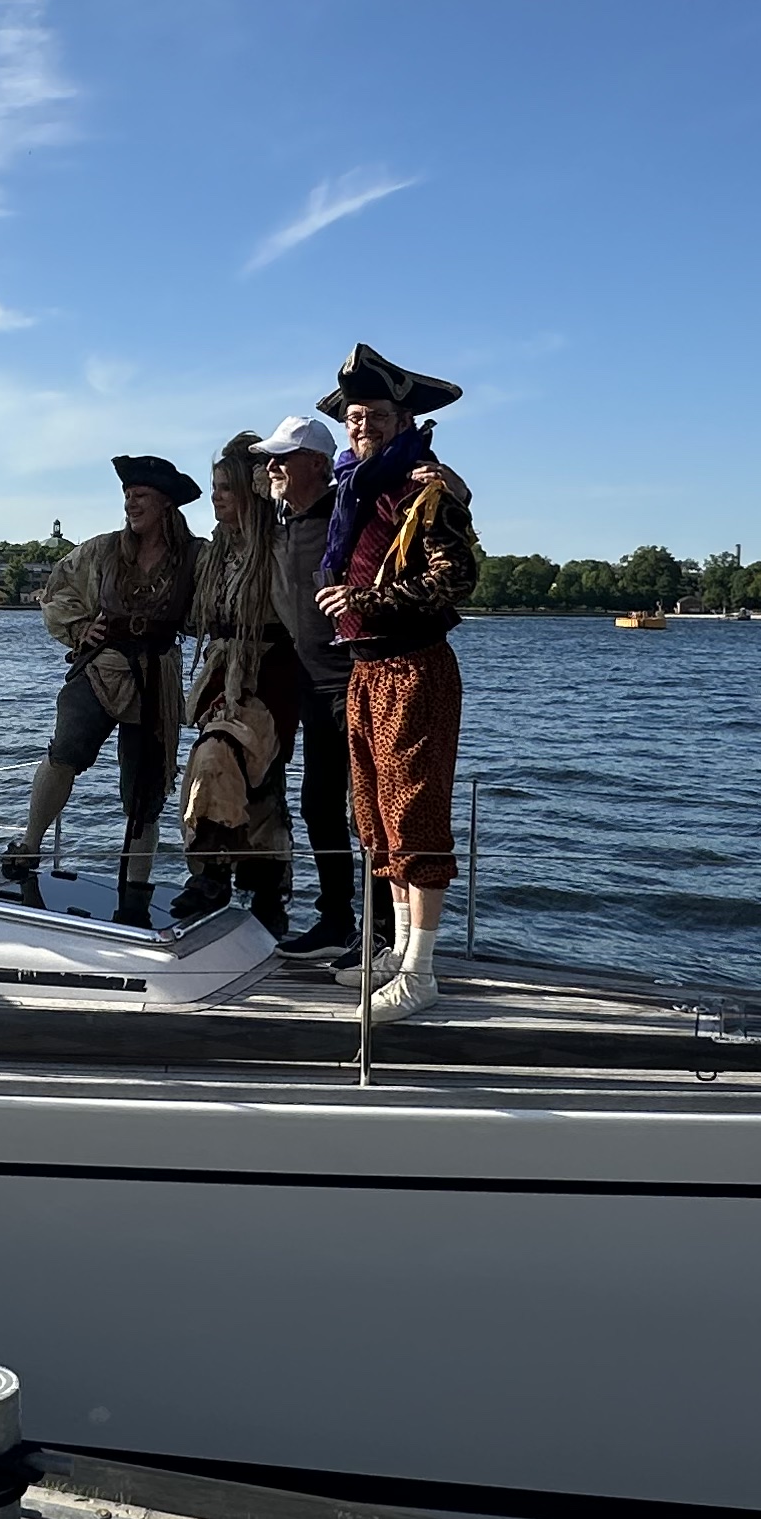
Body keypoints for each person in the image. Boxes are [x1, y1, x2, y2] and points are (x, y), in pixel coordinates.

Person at [310, 344, 480, 1022]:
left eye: (377, 415)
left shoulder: (426, 488)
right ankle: (404, 947)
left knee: (413, 815)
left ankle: (422, 970)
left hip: (413, 666)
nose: (363, 427)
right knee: (376, 819)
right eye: (354, 416)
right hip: (367, 669)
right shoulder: (356, 485)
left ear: (402, 418)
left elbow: (453, 581)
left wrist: (364, 603)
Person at [2, 457, 202, 924]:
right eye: (128, 496)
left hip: (156, 675)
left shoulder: (194, 555)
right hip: (101, 666)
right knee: (65, 749)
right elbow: (57, 589)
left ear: (165, 505)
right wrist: (79, 629)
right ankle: (29, 844)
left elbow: (217, 602)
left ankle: (135, 886)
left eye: (142, 496)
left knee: (147, 786)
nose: (131, 503)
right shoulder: (103, 550)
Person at [172, 430, 305, 935]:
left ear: (250, 490)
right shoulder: (216, 554)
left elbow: (297, 614)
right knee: (255, 782)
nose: (217, 496)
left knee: (221, 757)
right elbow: (194, 614)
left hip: (269, 674)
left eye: (226, 487)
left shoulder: (275, 547)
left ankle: (215, 872)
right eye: (214, 487)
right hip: (222, 675)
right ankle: (262, 887)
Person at [256, 412, 355, 956]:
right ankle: (337, 919)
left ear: (317, 464)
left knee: (367, 813)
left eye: (283, 458)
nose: (272, 467)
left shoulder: (348, 512)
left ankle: (382, 933)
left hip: (356, 681)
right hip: (312, 686)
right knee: (319, 805)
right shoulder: (284, 521)